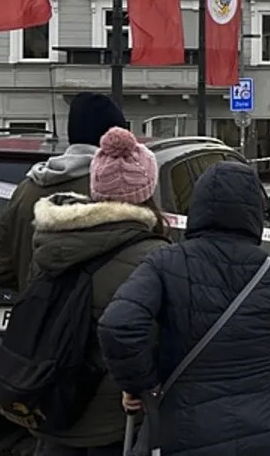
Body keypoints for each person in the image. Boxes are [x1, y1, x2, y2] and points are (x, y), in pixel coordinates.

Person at [98, 162, 270, 455]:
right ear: (254, 212)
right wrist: (264, 369)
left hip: (188, 431)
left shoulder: (164, 264)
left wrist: (145, 383)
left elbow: (119, 324)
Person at [24, 127, 172, 456]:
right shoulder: (152, 256)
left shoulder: (51, 240)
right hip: (115, 415)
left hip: (53, 399)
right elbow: (153, 337)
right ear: (148, 190)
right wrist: (141, 384)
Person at [0, 92, 127, 291]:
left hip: (34, 315)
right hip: (94, 317)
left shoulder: (26, 189)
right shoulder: (118, 190)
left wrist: (30, 289)